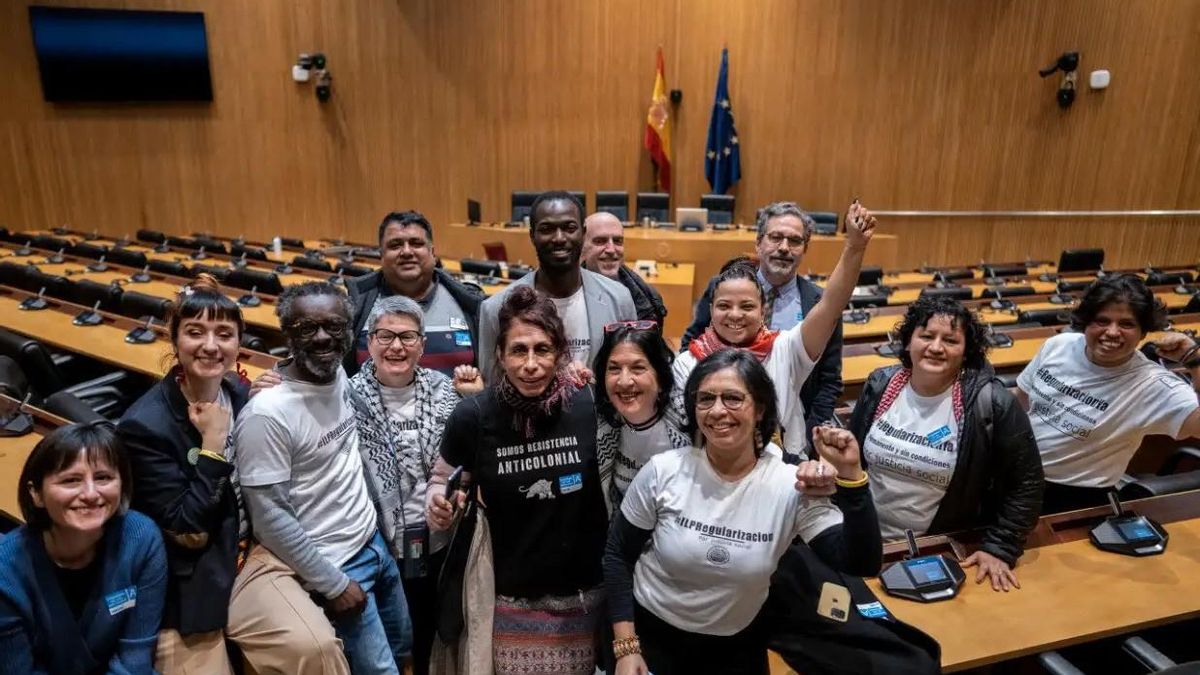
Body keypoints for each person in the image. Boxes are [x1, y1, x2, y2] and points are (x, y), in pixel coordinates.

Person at [604, 350, 882, 675]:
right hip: (651, 641)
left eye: (733, 398)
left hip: (737, 648)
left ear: (760, 408)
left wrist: (852, 478)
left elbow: (861, 563)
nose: (718, 410)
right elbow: (617, 555)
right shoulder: (663, 471)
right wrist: (626, 648)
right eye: (705, 399)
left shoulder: (791, 484)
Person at [428, 285, 610, 674]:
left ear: (560, 352)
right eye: (518, 350)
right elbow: (444, 481)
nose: (531, 364)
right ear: (499, 355)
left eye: (542, 349)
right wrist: (441, 506)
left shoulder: (587, 404)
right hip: (508, 598)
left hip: (583, 596)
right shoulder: (473, 416)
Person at [233, 281, 412, 674]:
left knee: (403, 652)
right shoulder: (267, 414)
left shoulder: (336, 377)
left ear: (349, 331)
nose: (321, 338)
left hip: (375, 545)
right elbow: (270, 519)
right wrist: (331, 584)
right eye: (306, 329)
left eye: (333, 327)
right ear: (287, 334)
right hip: (336, 565)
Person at [849, 295, 1044, 590]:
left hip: (936, 549)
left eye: (951, 341)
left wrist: (999, 548)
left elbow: (1026, 483)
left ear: (966, 351)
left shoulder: (993, 403)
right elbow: (853, 457)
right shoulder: (880, 384)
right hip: (862, 539)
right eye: (926, 336)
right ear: (907, 342)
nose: (936, 347)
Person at [117, 274, 256, 673]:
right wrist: (212, 443)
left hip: (252, 563)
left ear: (239, 344)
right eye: (195, 332)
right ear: (175, 341)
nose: (211, 346)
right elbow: (187, 532)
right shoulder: (145, 425)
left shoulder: (240, 395)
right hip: (194, 590)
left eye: (224, 334)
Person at [671, 201, 876, 461]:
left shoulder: (785, 350)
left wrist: (854, 247)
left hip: (779, 465)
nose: (735, 315)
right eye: (724, 305)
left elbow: (830, 305)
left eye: (747, 306)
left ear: (762, 309)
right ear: (711, 309)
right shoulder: (687, 363)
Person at [351, 295, 481, 675]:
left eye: (408, 337)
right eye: (385, 336)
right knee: (388, 650)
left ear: (423, 344)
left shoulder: (448, 395)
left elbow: (466, 465)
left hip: (438, 545)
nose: (396, 346)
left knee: (430, 640)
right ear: (369, 342)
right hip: (377, 550)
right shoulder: (345, 398)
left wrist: (451, 500)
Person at [1016, 274, 1200, 513]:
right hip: (1014, 474)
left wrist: (1195, 360)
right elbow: (1021, 401)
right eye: (1102, 321)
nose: (1112, 332)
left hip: (1073, 497)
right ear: (1086, 323)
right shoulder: (1058, 345)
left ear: (1143, 332)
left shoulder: (1154, 384)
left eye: (1126, 324)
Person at [0, 422, 167, 674]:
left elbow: (134, 657)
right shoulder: (5, 569)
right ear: (36, 494)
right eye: (71, 480)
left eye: (103, 478)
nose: (90, 493)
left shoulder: (142, 539)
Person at [478, 191, 637, 377]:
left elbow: (630, 369)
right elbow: (491, 385)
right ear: (532, 236)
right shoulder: (496, 308)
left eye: (570, 228)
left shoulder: (619, 299)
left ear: (583, 234)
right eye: (547, 229)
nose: (559, 238)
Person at [347, 210, 485, 377]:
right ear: (381, 255)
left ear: (433, 253)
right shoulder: (356, 307)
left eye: (416, 243)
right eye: (395, 245)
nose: (406, 252)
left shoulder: (469, 304)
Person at [594, 322, 689, 507]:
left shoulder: (690, 428)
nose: (624, 381)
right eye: (614, 369)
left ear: (660, 377)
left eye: (638, 368)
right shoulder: (604, 426)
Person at [581, 211, 667, 325]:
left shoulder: (649, 297)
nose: (611, 250)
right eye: (600, 241)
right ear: (582, 247)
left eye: (618, 241)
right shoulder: (565, 296)